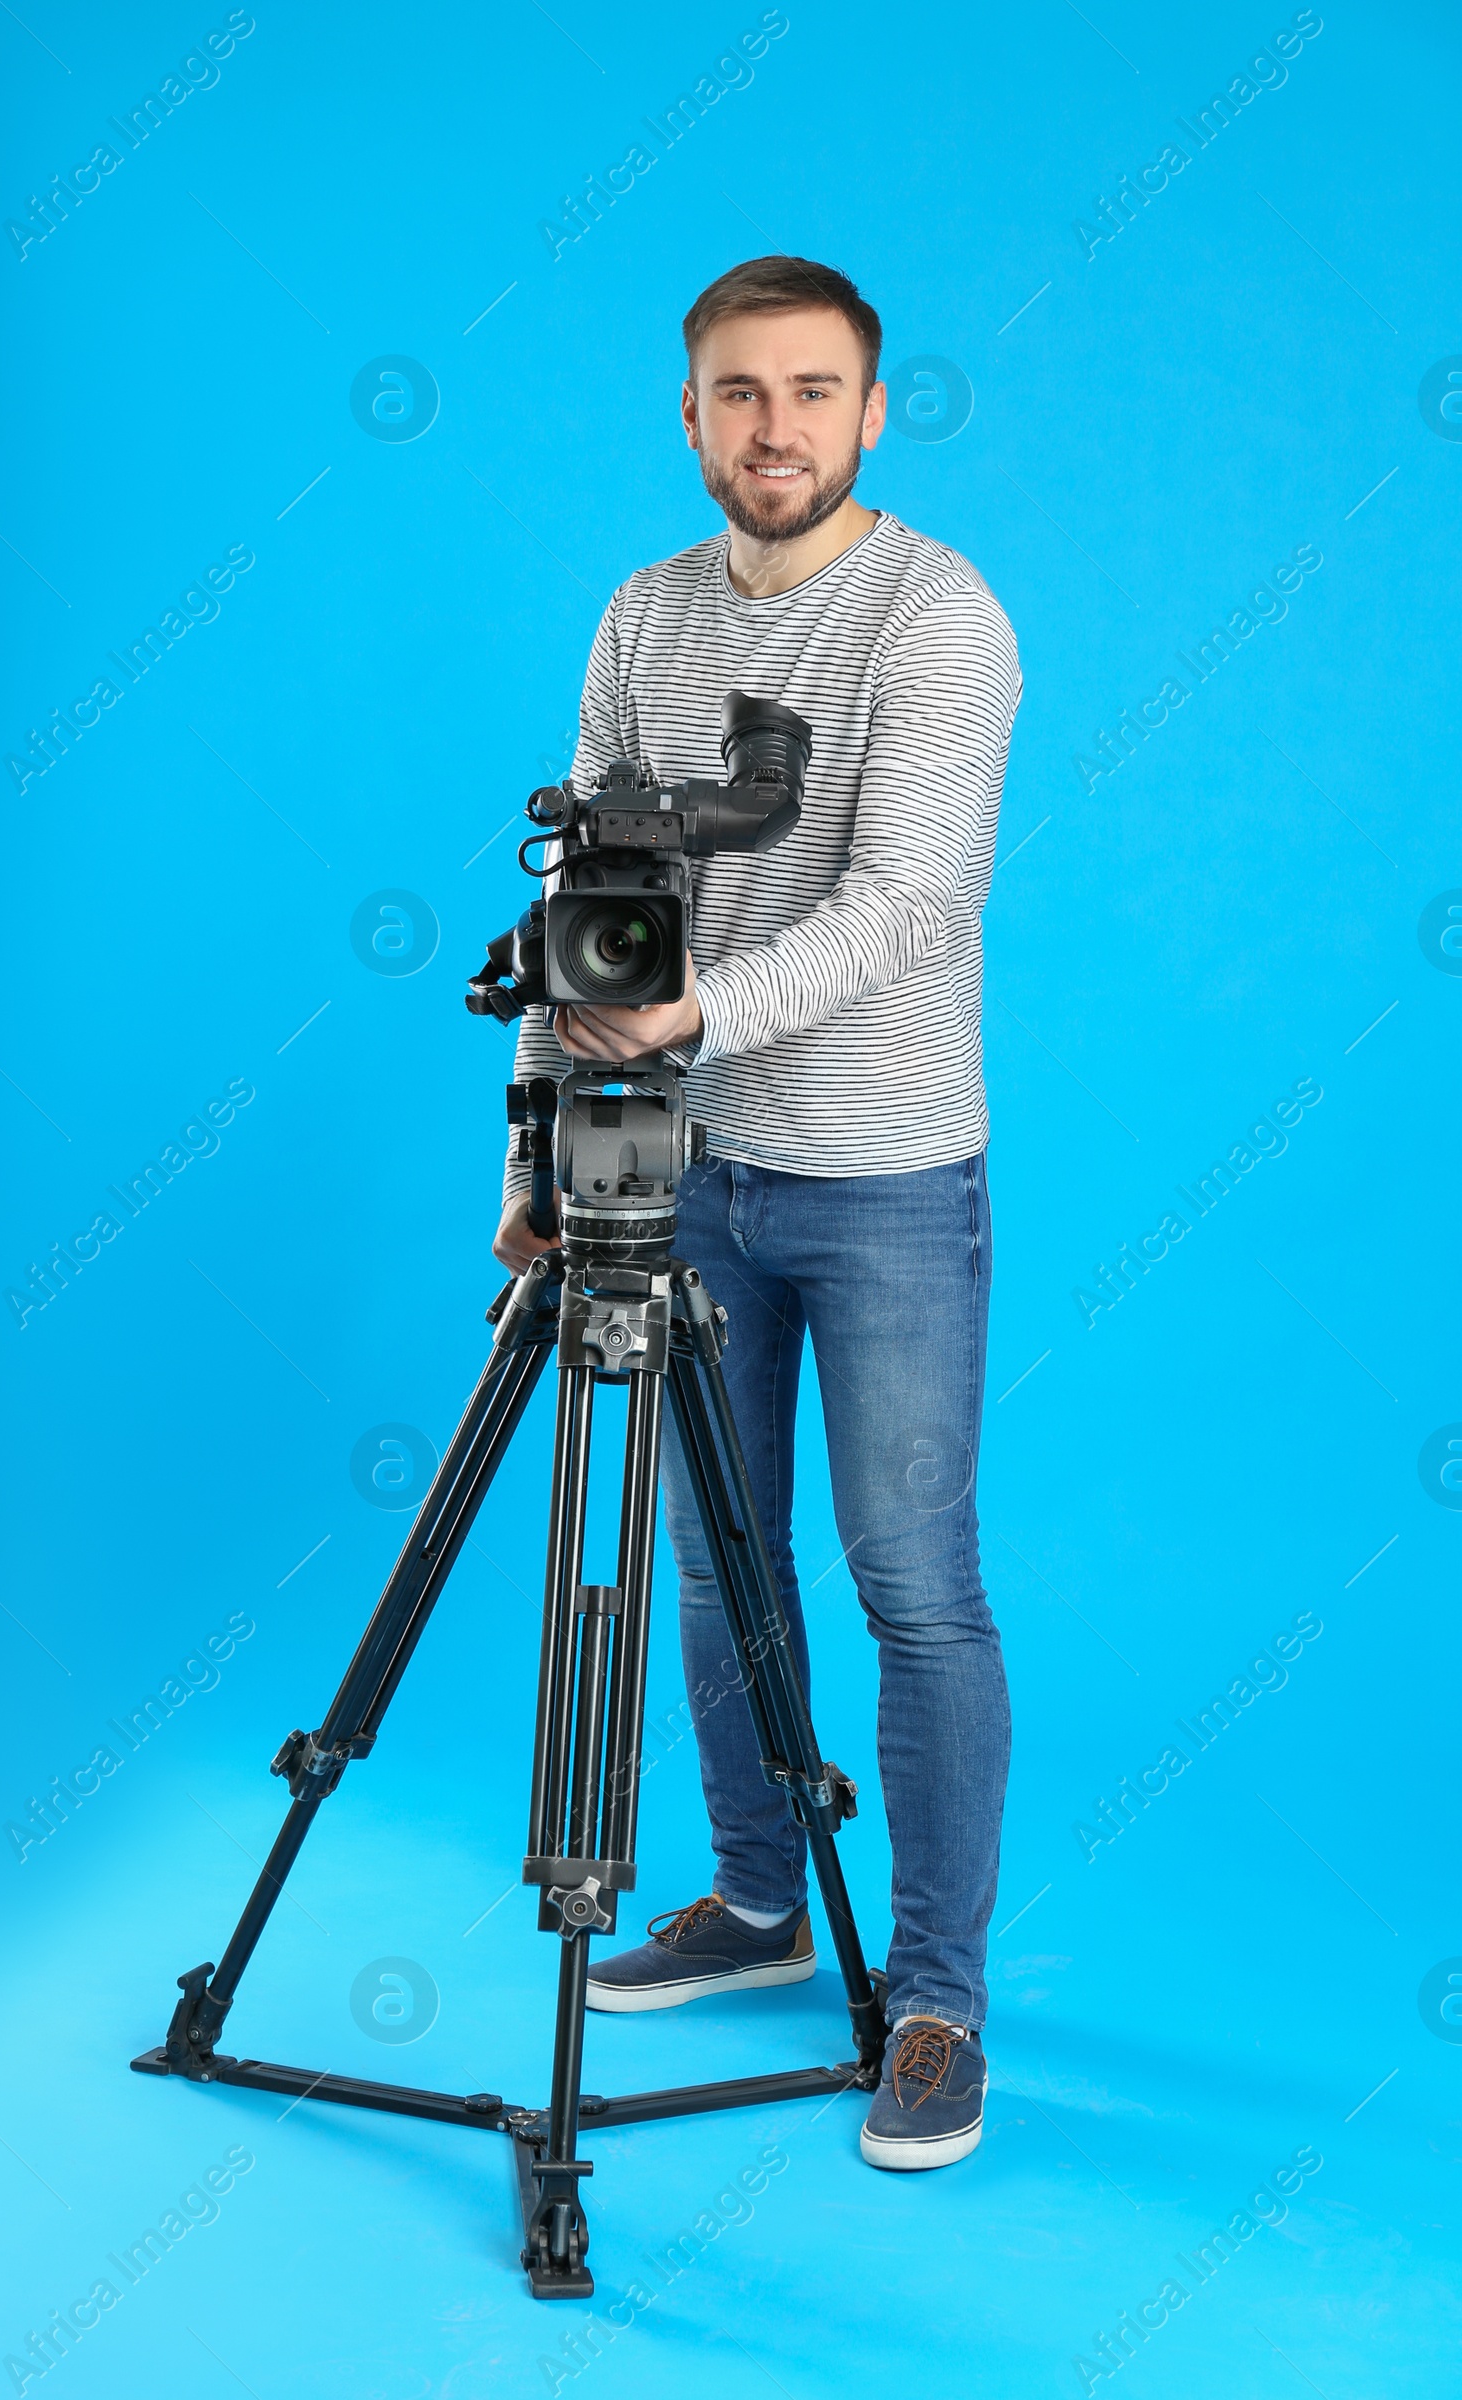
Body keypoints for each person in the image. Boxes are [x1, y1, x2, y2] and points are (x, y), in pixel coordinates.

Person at [493, 256, 1021, 2172]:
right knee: (720, 1562)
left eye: (813, 392)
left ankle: (942, 1997)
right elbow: (591, 892)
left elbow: (908, 906)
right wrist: (542, 1159)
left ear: (872, 414)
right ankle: (756, 1900)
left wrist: (698, 1013)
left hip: (884, 1173)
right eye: (739, 393)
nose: (775, 427)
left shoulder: (938, 616)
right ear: (691, 414)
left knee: (910, 1580)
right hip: (680, 1165)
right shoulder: (643, 615)